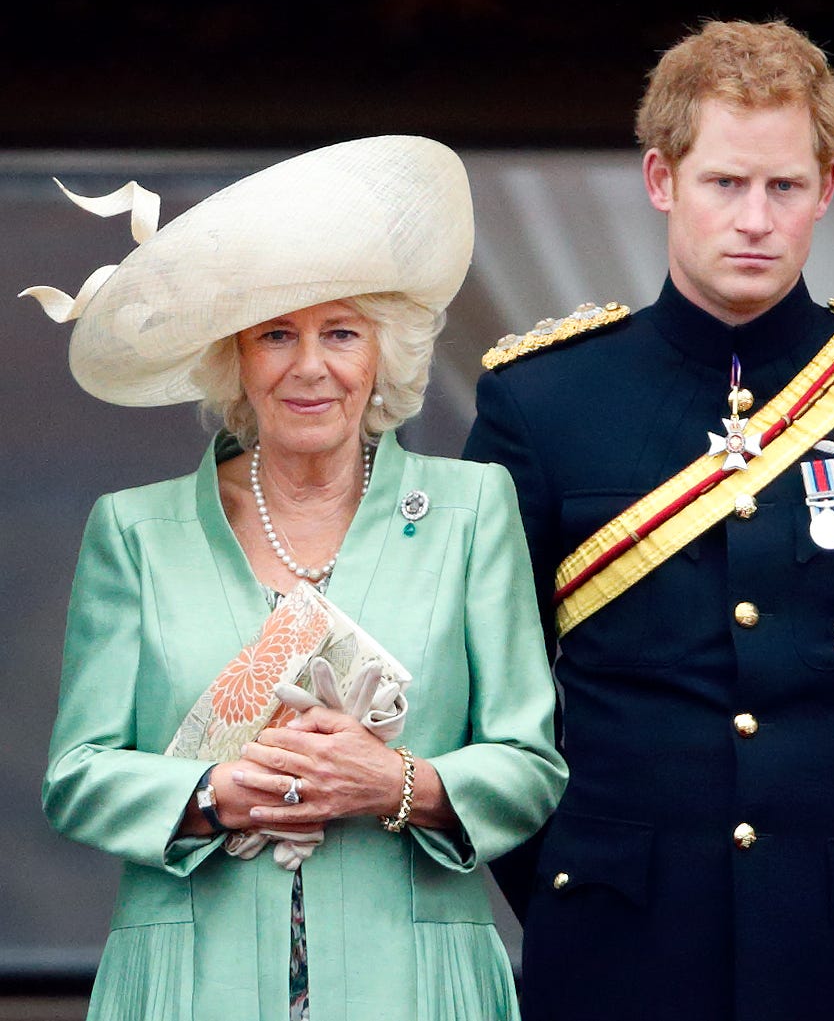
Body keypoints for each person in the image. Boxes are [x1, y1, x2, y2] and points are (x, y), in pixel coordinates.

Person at [464, 20, 834, 1021]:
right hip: (613, 940)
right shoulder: (544, 401)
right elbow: (480, 681)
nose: (756, 219)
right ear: (660, 180)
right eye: (725, 183)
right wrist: (571, 880)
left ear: (826, 189)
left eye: (783, 187)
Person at [33, 136, 567, 1021]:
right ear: (234, 357)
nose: (309, 365)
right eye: (276, 333)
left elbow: (528, 764)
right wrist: (213, 794)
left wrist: (392, 782)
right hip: (190, 985)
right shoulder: (133, 530)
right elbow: (78, 775)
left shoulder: (472, 510)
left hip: (417, 984)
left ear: (382, 354)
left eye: (342, 333)